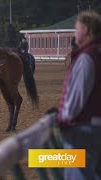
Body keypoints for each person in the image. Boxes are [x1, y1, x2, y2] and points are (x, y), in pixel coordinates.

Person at [57, 11, 101, 180]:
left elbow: (76, 100)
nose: (74, 33)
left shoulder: (86, 58)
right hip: (94, 128)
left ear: (87, 30)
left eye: (77, 29)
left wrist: (62, 119)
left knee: (38, 159)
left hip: (83, 131)